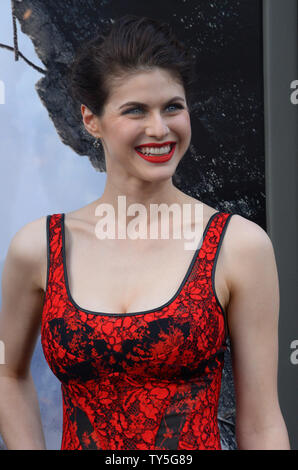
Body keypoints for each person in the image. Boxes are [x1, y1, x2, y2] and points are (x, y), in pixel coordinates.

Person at [0, 14, 290, 451]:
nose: (160, 129)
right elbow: (6, 368)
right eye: (135, 110)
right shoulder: (37, 248)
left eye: (172, 106)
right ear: (90, 120)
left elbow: (263, 423)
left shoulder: (239, 246)